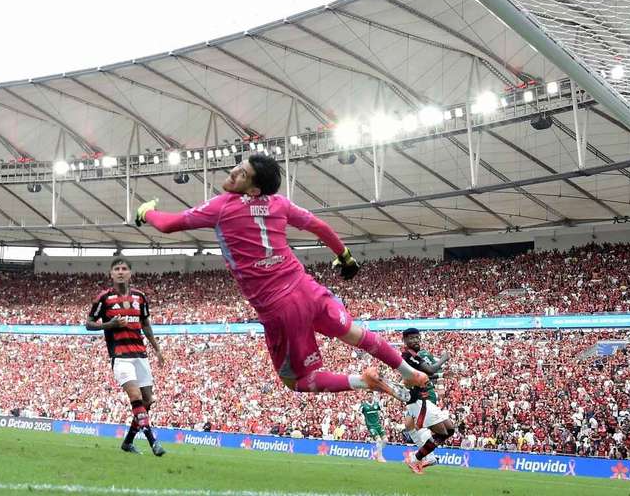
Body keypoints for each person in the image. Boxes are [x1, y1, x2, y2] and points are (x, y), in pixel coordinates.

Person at [135, 153, 428, 400]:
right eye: (239, 165)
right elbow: (320, 227)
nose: (234, 171)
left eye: (243, 173)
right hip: (308, 289)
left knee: (296, 381)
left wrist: (147, 212)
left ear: (252, 190)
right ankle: (409, 372)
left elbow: (168, 225)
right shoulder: (280, 204)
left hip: (281, 309)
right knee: (355, 334)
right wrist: (345, 256)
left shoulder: (222, 206)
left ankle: (362, 381)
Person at [86, 258, 165, 456]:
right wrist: (109, 325)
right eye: (116, 269)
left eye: (124, 269)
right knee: (136, 397)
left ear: (130, 273)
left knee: (147, 400)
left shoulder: (140, 297)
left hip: (140, 355)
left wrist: (157, 349)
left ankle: (128, 442)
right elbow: (88, 323)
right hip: (120, 356)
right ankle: (153, 442)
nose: (120, 272)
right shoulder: (104, 298)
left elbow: (145, 324)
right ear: (111, 274)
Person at [399, 328, 455, 474]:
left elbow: (425, 375)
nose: (416, 340)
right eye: (411, 338)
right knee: (442, 433)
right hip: (417, 401)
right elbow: (430, 370)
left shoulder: (414, 356)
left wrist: (441, 375)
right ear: (404, 341)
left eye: (417, 337)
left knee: (450, 429)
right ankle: (417, 458)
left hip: (424, 399)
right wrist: (444, 358)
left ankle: (422, 456)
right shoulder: (408, 355)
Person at [360, 394, 388, 462]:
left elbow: (382, 410)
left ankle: (376, 453)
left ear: (373, 396)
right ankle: (380, 457)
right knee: (378, 440)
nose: (369, 396)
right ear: (366, 396)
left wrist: (384, 414)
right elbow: (358, 414)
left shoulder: (377, 404)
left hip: (378, 425)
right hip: (371, 426)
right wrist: (361, 421)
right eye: (368, 395)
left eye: (371, 395)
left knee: (385, 440)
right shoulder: (363, 405)